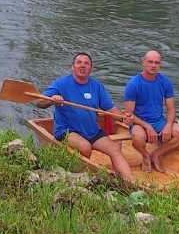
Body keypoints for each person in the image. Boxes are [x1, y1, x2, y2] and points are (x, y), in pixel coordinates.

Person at [34, 53, 134, 184]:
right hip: (67, 130)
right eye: (79, 62)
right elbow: (39, 102)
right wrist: (52, 100)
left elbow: (110, 109)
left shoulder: (96, 86)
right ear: (73, 67)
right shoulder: (61, 84)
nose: (82, 65)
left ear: (90, 68)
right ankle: (82, 179)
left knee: (114, 149)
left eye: (86, 63)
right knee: (85, 147)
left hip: (92, 130)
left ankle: (130, 182)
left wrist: (122, 118)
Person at [123, 50, 179, 172]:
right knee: (138, 137)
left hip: (159, 121)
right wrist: (147, 127)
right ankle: (145, 155)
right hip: (139, 123)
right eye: (150, 62)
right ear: (143, 62)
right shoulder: (133, 84)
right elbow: (129, 115)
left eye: (156, 63)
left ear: (160, 65)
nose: (153, 65)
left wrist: (168, 125)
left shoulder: (165, 82)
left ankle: (156, 154)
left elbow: (171, 108)